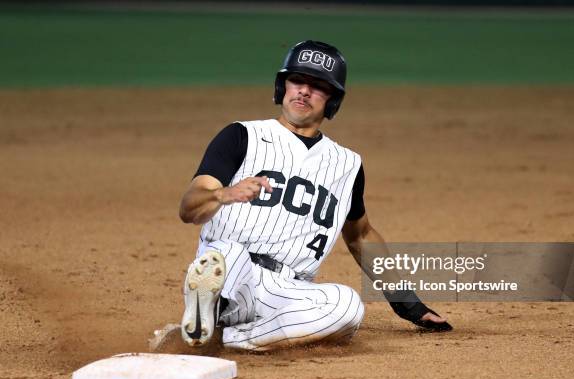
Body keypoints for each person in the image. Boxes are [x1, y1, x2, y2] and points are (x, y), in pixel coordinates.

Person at [177, 40, 452, 351]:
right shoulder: (242, 136)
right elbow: (190, 207)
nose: (304, 91)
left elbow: (361, 236)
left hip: (289, 290)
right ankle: (213, 307)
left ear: (332, 99)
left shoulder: (347, 165)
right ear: (282, 86)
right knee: (222, 255)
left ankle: (226, 337)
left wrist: (409, 304)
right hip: (232, 271)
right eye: (297, 80)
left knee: (347, 307)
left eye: (317, 85)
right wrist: (224, 194)